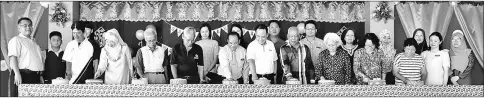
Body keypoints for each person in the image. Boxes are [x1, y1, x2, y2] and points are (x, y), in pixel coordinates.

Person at [8, 17, 44, 85]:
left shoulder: (34, 42)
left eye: (30, 25)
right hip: (22, 75)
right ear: (19, 28)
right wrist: (17, 73)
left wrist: (40, 75)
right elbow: (13, 57)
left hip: (35, 76)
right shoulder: (16, 40)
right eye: (25, 26)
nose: (28, 27)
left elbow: (38, 59)